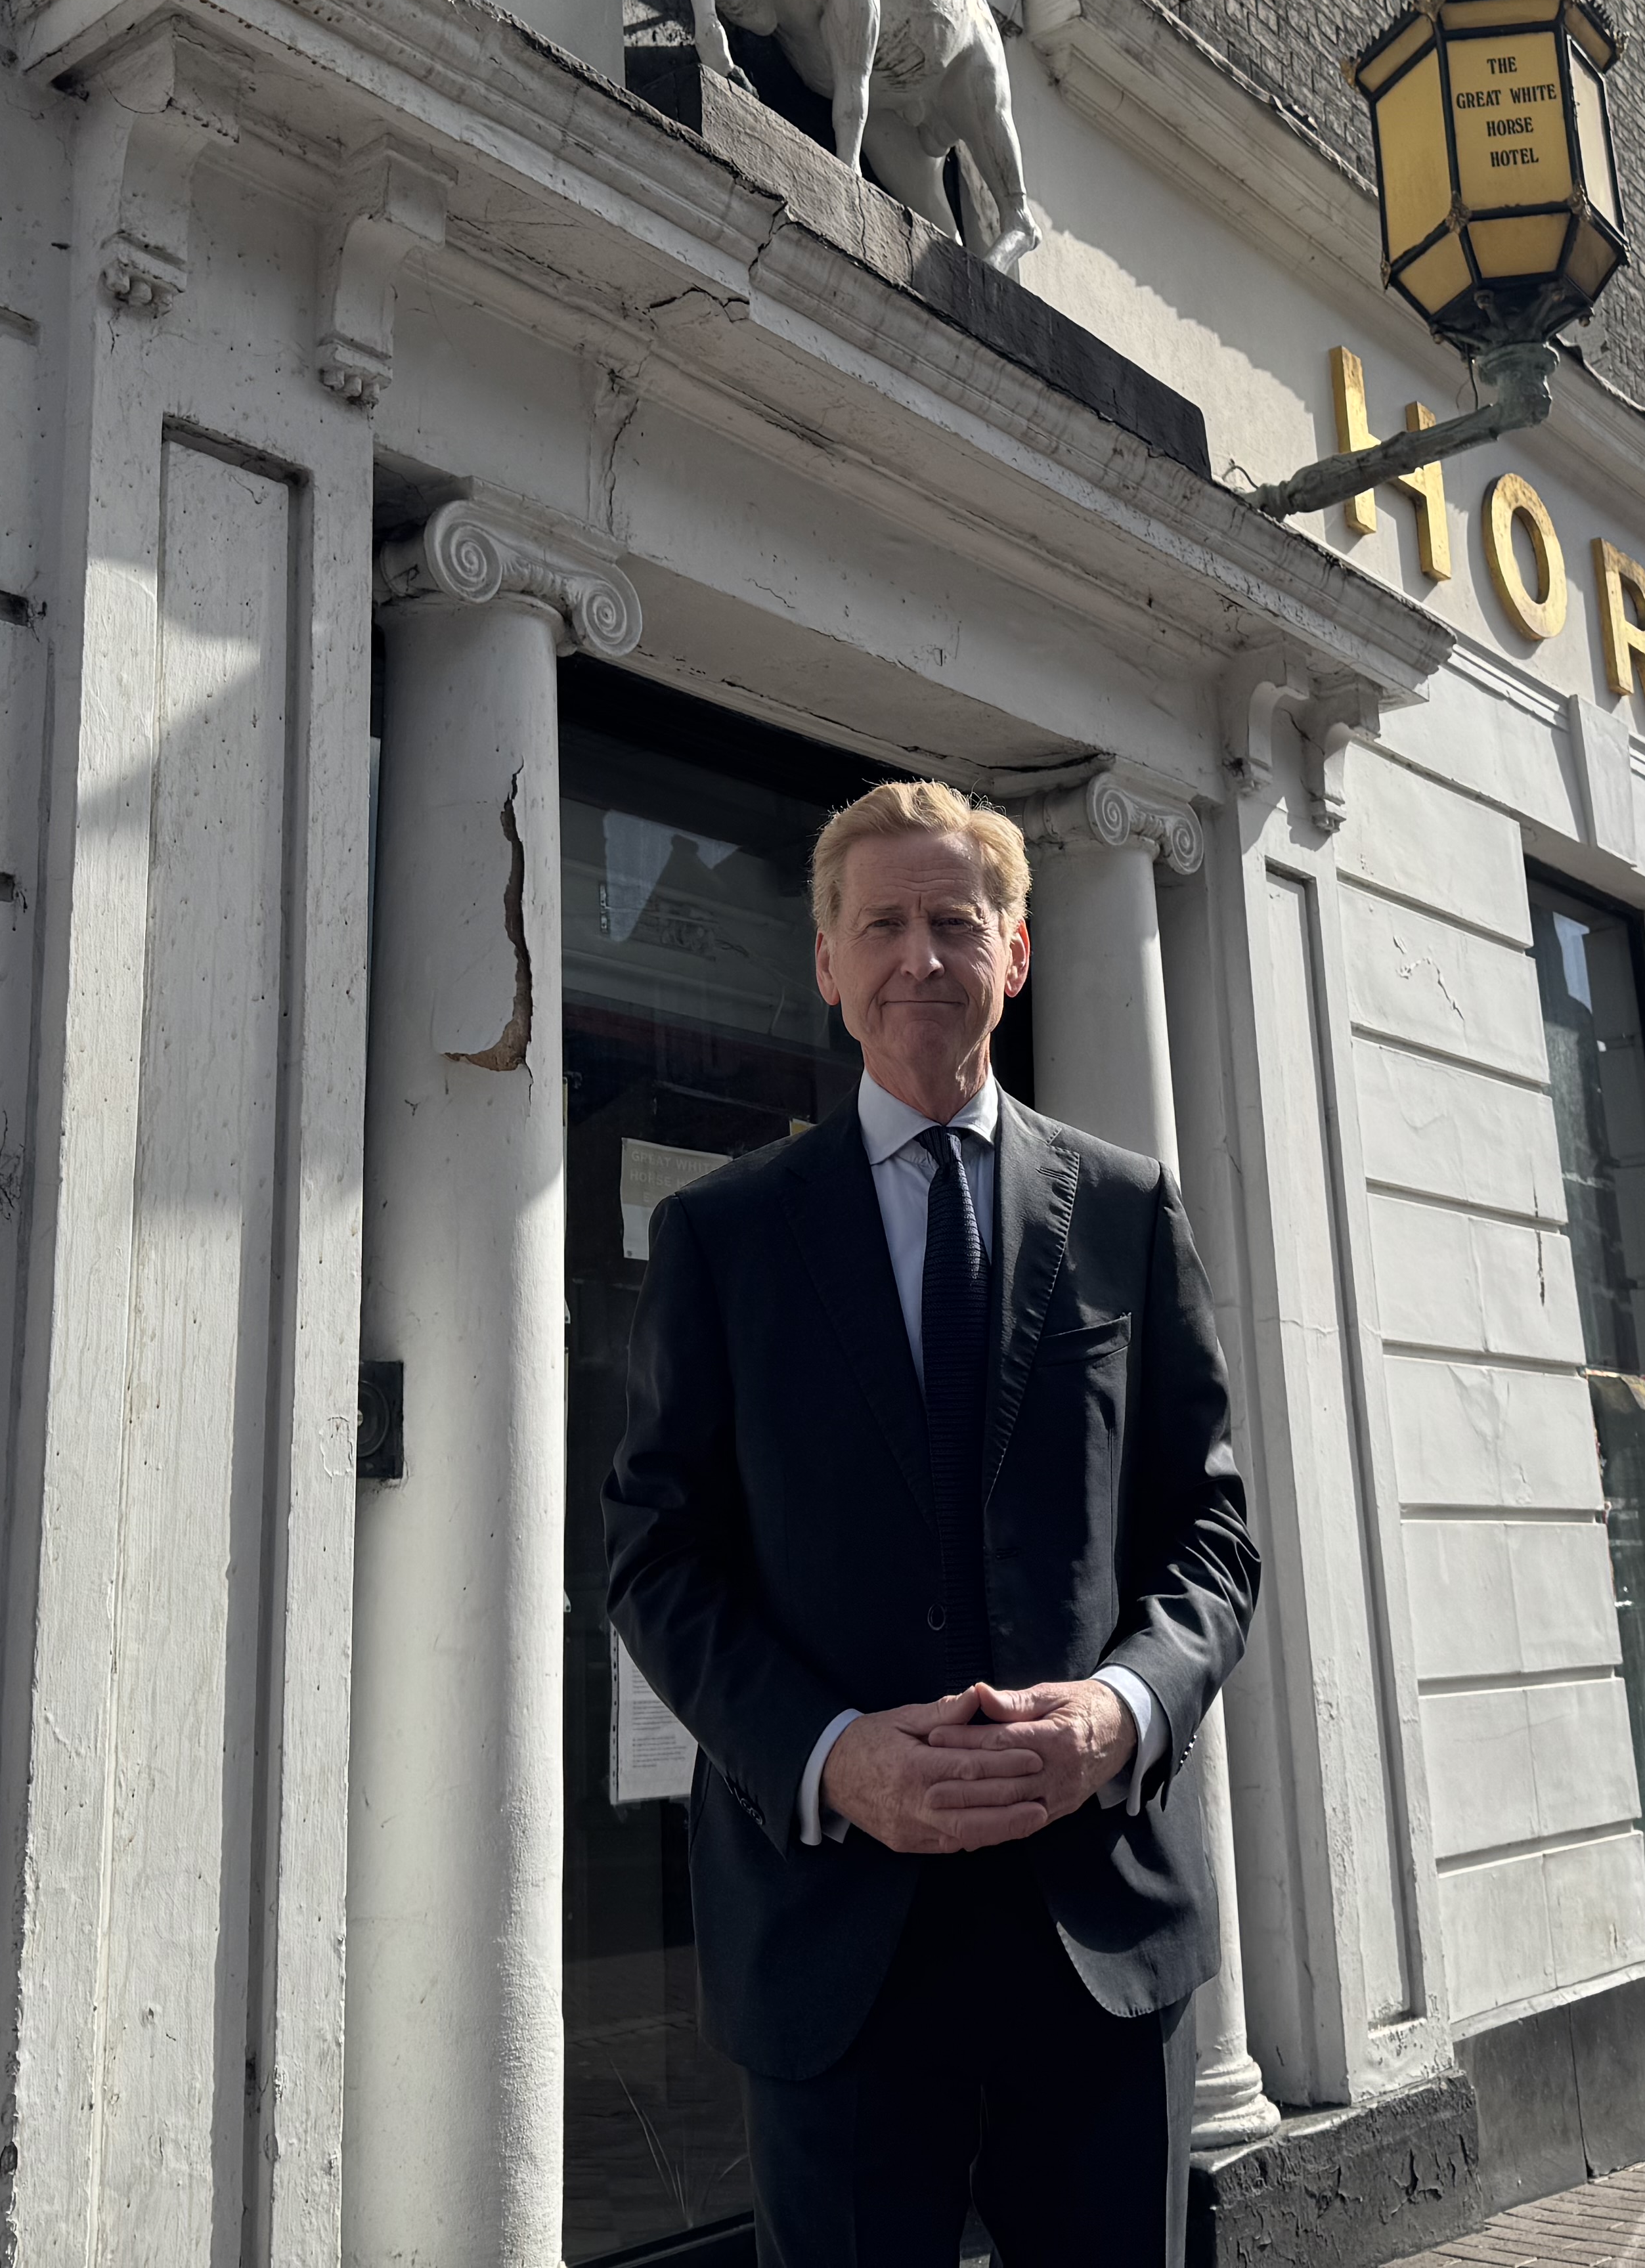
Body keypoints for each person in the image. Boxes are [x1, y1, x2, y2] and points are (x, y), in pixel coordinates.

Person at [606, 777, 1261, 2267]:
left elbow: (1212, 1536)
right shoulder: (726, 1236)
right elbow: (657, 1555)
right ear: (827, 967)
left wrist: (1122, 1708)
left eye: (955, 922)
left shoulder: (1125, 1211)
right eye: (880, 924)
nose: (920, 956)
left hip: (1098, 1924)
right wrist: (833, 1756)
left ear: (1016, 955)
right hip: (835, 1934)